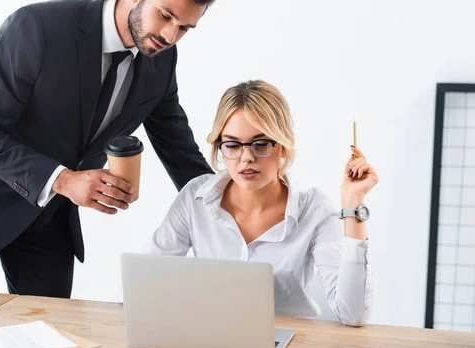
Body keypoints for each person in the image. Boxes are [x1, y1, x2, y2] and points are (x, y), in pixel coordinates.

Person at [0, 0, 215, 298]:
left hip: (48, 215)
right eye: (165, 15)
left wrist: (228, 203)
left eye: (185, 28)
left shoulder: (162, 58)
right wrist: (64, 180)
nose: (170, 36)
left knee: (50, 338)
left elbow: (177, 145)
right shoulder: (36, 27)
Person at [148, 80, 378, 326]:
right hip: (213, 342)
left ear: (282, 146)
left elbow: (353, 315)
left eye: (260, 144)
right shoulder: (195, 198)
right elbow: (148, 284)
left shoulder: (315, 209)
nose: (246, 158)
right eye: (233, 145)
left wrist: (353, 205)